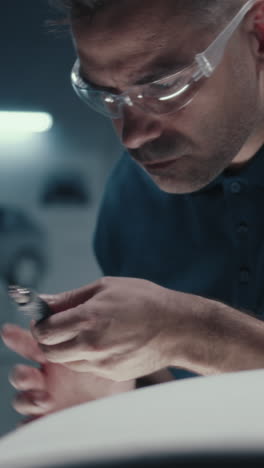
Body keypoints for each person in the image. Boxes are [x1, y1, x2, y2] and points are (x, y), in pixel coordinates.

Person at [2, 0, 264, 423]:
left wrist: (191, 332)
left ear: (259, 33)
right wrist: (114, 400)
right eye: (106, 96)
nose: (133, 134)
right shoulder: (131, 197)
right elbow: (178, 406)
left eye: (164, 87)